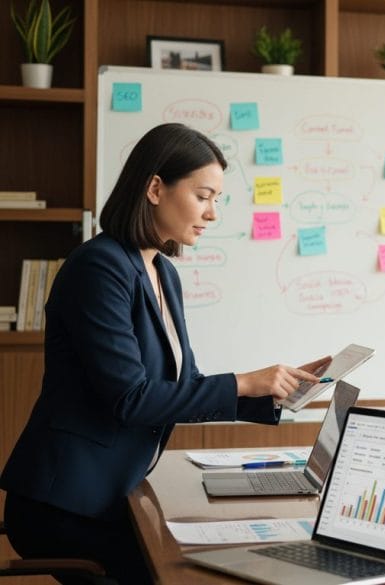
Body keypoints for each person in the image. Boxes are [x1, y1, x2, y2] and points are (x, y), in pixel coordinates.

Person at [0, 123, 330, 584]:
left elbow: (182, 390)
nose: (212, 213)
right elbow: (131, 399)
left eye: (217, 199)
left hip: (109, 495)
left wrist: (275, 395)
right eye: (203, 195)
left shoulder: (163, 274)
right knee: (183, 572)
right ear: (155, 188)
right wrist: (243, 381)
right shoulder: (99, 267)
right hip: (64, 505)